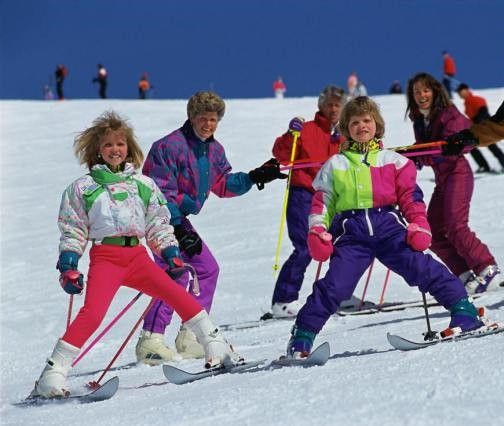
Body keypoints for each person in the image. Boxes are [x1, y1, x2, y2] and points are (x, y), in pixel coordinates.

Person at [31, 111, 242, 398]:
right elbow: (73, 228)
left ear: (128, 148)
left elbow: (157, 222)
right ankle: (52, 375)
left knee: (177, 294)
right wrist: (68, 265)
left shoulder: (142, 185)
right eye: (108, 145)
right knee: (92, 315)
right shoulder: (83, 188)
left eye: (120, 144)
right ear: (97, 150)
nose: (115, 150)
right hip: (106, 258)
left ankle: (215, 345)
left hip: (138, 257)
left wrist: (171, 254)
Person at [285, 96, 485, 358]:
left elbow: (411, 198)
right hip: (351, 233)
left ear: (376, 125)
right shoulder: (334, 165)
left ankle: (465, 311)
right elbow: (322, 204)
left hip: (388, 227)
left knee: (421, 268)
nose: (361, 126)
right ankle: (302, 337)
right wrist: (318, 231)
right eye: (354, 122)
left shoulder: (393, 161)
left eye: (367, 120)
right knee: (335, 286)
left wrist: (419, 226)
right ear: (346, 128)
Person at [135, 91, 287, 364]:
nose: (208, 124)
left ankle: (191, 336)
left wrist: (255, 176)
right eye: (203, 118)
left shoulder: (214, 150)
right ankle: (151, 339)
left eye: (213, 119)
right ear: (191, 116)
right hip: (158, 217)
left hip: (179, 218)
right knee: (176, 272)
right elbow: (159, 193)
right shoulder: (168, 146)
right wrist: (178, 228)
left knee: (206, 269)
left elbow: (223, 184)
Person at [406, 72, 500, 294]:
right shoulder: (420, 120)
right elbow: (423, 149)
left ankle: (487, 268)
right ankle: (465, 274)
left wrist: (422, 154)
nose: (422, 95)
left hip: (457, 173)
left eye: (426, 90)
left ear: (436, 91)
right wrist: (409, 157)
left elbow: (456, 143)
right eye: (417, 92)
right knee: (434, 232)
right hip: (442, 178)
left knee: (455, 225)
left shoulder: (449, 114)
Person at [267, 85, 346, 318]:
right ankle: (283, 300)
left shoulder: (345, 134)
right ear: (321, 106)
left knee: (345, 244)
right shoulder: (308, 129)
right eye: (329, 104)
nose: (333, 109)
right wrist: (292, 134)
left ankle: (341, 294)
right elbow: (281, 154)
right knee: (305, 246)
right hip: (304, 192)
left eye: (338, 105)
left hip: (333, 197)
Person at [455, 83, 504, 172]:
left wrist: (480, 121)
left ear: (466, 90)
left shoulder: (475, 99)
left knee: (493, 148)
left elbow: (483, 110)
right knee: (473, 147)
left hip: (485, 125)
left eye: (460, 92)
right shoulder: (466, 104)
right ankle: (484, 166)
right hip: (479, 127)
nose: (459, 94)